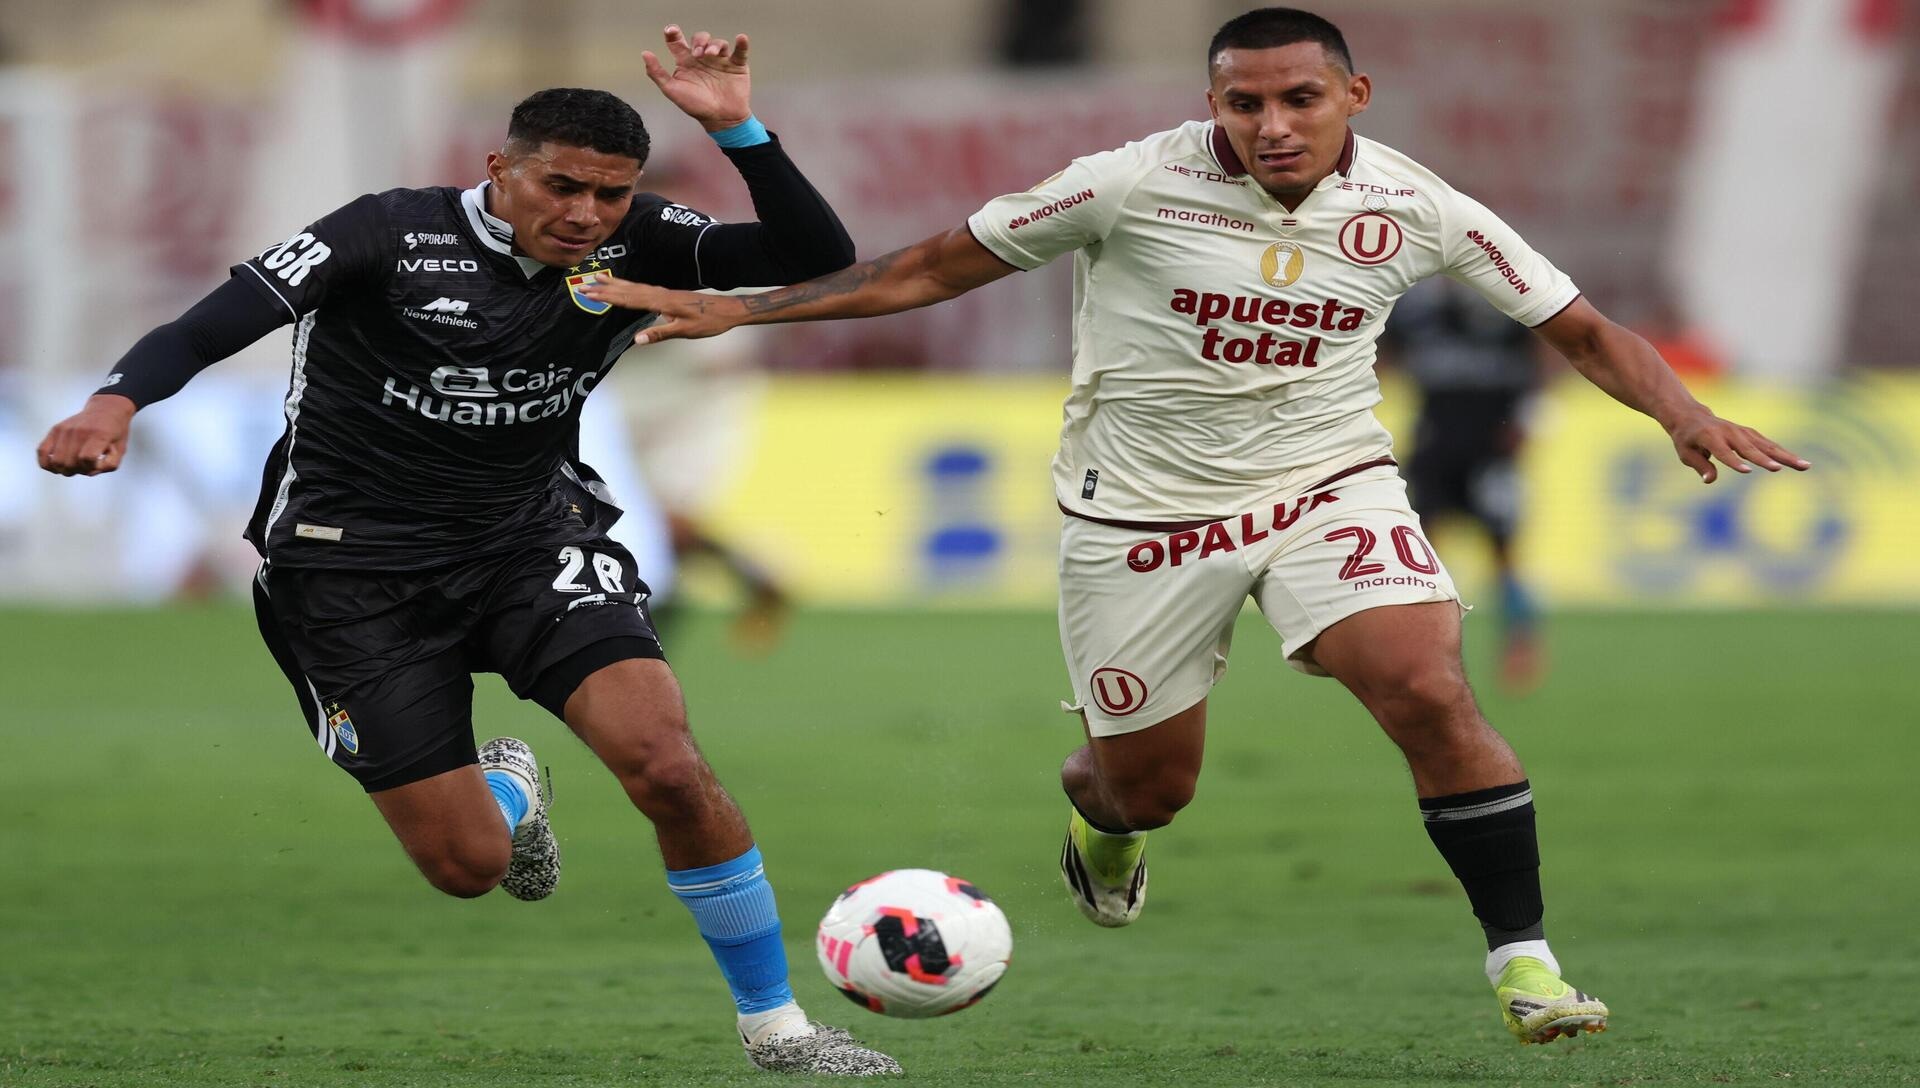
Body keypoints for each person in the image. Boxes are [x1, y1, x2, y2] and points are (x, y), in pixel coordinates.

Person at [577, 7, 1811, 1046]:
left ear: (1353, 95)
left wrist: (1683, 411)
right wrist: (744, 307)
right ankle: (1102, 820)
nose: (1272, 124)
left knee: (1426, 684)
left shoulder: (1417, 205)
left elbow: (1579, 326)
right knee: (1148, 786)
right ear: (1211, 101)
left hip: (1329, 483)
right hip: (1142, 516)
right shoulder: (1127, 182)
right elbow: (931, 266)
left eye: (1299, 99)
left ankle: (1525, 961)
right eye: (1243, 102)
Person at [36, 27, 899, 1077]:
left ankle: (779, 1028)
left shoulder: (640, 239)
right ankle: (509, 790)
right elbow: (214, 323)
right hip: (349, 568)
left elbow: (818, 256)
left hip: (530, 539)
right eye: (561, 186)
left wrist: (740, 131)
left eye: (610, 194)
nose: (585, 214)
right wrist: (116, 400)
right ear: (500, 167)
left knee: (667, 763)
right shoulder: (384, 233)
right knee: (466, 864)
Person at [1381, 277, 1549, 693]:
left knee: (1503, 554)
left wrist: (1528, 421)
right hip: (1434, 452)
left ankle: (1521, 644)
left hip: (1491, 456)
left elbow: (1539, 367)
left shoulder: (1509, 318)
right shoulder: (1421, 316)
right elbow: (1382, 351)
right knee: (1421, 552)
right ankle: (1423, 648)